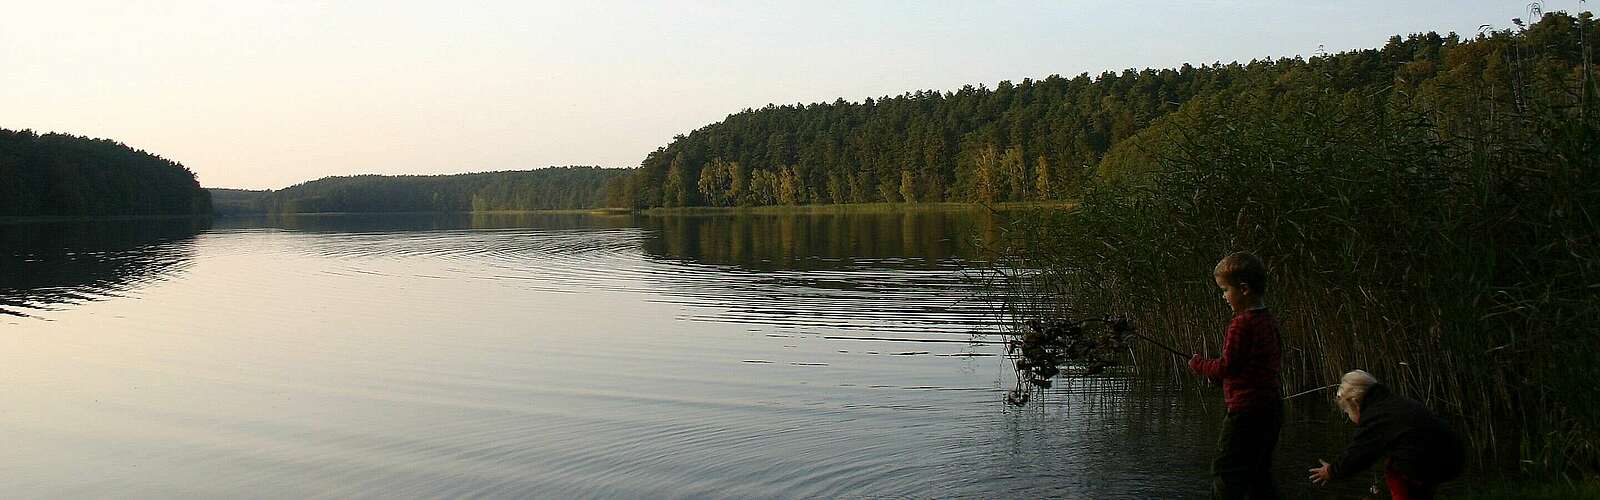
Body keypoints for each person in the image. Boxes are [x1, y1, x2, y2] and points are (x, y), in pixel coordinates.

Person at [1190, 252, 1283, 499]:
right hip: (1271, 407)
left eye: (1224, 290)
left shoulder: (1241, 324)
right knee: (1259, 472)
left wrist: (1199, 365)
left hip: (1245, 411)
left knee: (1226, 469)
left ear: (1243, 289)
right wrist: (1222, 377)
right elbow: (1254, 365)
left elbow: (1228, 366)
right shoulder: (1268, 320)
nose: (1223, 297)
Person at [1308, 370, 1464, 500]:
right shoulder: (1391, 401)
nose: (1348, 415)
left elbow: (1358, 454)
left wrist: (1331, 471)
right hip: (1451, 455)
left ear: (1355, 402)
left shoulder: (1376, 416)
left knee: (1394, 471)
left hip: (1433, 461)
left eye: (1347, 411)